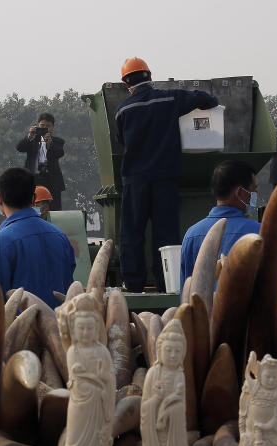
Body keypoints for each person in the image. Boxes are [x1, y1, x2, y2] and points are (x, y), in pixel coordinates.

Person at [114, 57, 218, 292]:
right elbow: (205, 99)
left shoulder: (122, 110)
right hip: (165, 177)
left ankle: (133, 285)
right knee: (166, 234)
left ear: (126, 82)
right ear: (149, 77)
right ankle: (167, 284)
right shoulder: (170, 98)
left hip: (135, 179)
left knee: (132, 233)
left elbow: (121, 141)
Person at [0, 167, 74, 309]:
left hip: (19, 329)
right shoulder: (60, 236)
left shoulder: (0, 242)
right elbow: (70, 287)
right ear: (33, 199)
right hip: (59, 327)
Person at [179, 160, 260, 286]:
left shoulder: (191, 235)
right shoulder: (257, 232)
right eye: (253, 191)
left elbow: (186, 290)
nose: (254, 196)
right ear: (239, 192)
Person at [17, 113, 66, 210]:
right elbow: (19, 148)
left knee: (54, 208)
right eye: (42, 125)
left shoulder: (57, 141)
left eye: (48, 126)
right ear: (38, 125)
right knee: (31, 206)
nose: (45, 128)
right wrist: (30, 136)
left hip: (51, 180)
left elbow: (60, 153)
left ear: (52, 127)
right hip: (33, 179)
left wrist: (49, 144)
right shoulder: (32, 140)